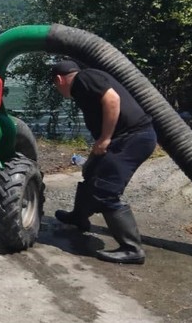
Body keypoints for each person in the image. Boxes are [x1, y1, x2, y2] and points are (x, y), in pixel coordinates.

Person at [50, 59, 157, 264]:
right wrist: (99, 147)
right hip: (126, 138)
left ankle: (132, 249)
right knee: (90, 172)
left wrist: (105, 138)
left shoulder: (84, 79)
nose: (57, 89)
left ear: (59, 79)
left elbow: (112, 100)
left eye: (56, 85)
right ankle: (79, 218)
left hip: (132, 139)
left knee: (106, 191)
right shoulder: (86, 82)